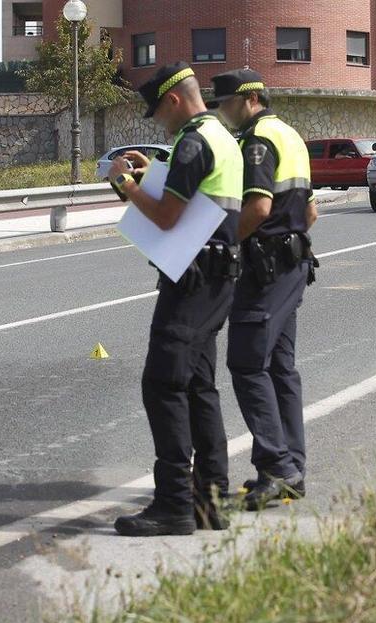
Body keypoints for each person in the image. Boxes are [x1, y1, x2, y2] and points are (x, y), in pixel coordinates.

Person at [107, 63, 243, 536]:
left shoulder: (191, 141)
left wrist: (127, 186)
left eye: (158, 114)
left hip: (192, 280)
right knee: (198, 385)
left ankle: (173, 505)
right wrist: (155, 174)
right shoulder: (221, 135)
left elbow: (167, 217)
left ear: (174, 101)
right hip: (219, 276)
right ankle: (211, 499)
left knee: (162, 383)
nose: (159, 123)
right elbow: (203, 195)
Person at [209, 69, 318, 510]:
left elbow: (257, 207)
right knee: (279, 369)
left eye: (227, 103)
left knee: (248, 364)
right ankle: (290, 467)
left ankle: (278, 467)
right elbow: (310, 212)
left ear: (250, 99)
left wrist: (223, 242)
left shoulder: (256, 142)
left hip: (265, 271)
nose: (223, 111)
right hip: (290, 267)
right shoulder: (290, 135)